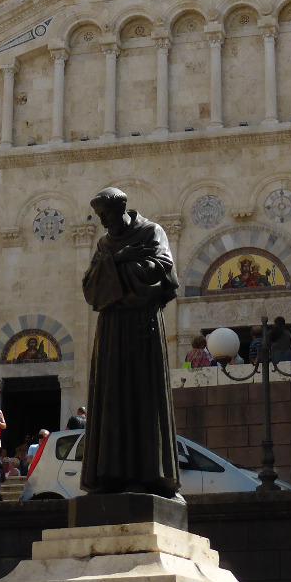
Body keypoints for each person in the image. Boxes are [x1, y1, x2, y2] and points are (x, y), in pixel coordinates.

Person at [79, 187, 180, 498]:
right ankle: (110, 475)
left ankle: (147, 474)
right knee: (111, 396)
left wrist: (116, 274)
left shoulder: (152, 232)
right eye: (100, 218)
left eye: (106, 215)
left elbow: (162, 270)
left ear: (121, 208)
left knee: (142, 396)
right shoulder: (105, 243)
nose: (104, 222)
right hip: (111, 330)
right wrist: (121, 260)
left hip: (141, 326)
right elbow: (90, 287)